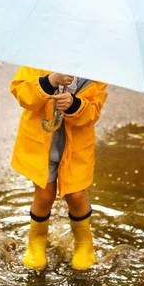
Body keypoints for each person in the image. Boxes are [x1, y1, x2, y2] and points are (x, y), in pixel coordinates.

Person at [10, 67, 108, 271]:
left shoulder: (97, 71)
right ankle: (36, 243)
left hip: (75, 150)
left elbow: (93, 112)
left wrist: (74, 105)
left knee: (76, 196)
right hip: (41, 146)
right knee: (44, 196)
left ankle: (84, 244)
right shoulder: (36, 60)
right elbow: (23, 95)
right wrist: (51, 81)